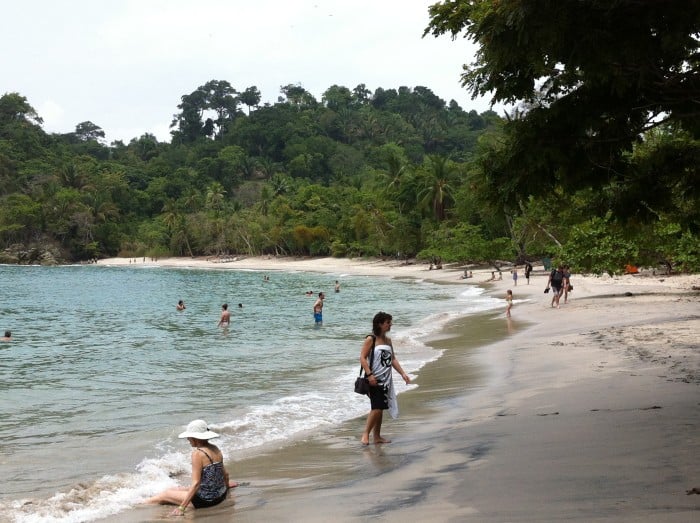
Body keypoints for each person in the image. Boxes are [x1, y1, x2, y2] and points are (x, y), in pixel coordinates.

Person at [146, 420, 236, 515]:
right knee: (176, 489)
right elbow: (225, 474)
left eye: (189, 437)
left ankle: (138, 505)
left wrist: (182, 508)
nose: (188, 439)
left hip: (205, 501)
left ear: (195, 438)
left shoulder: (197, 454)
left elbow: (196, 484)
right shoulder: (215, 448)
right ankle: (145, 501)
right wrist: (226, 489)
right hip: (220, 495)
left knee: (164, 495)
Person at [359, 312, 411, 445]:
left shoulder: (388, 341)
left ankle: (377, 437)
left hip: (386, 379)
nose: (390, 325)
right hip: (374, 379)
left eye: (390, 322)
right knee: (376, 407)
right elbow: (362, 358)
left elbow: (392, 359)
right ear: (380, 324)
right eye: (388, 322)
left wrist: (403, 374)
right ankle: (365, 434)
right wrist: (370, 375)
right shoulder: (371, 339)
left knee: (380, 407)